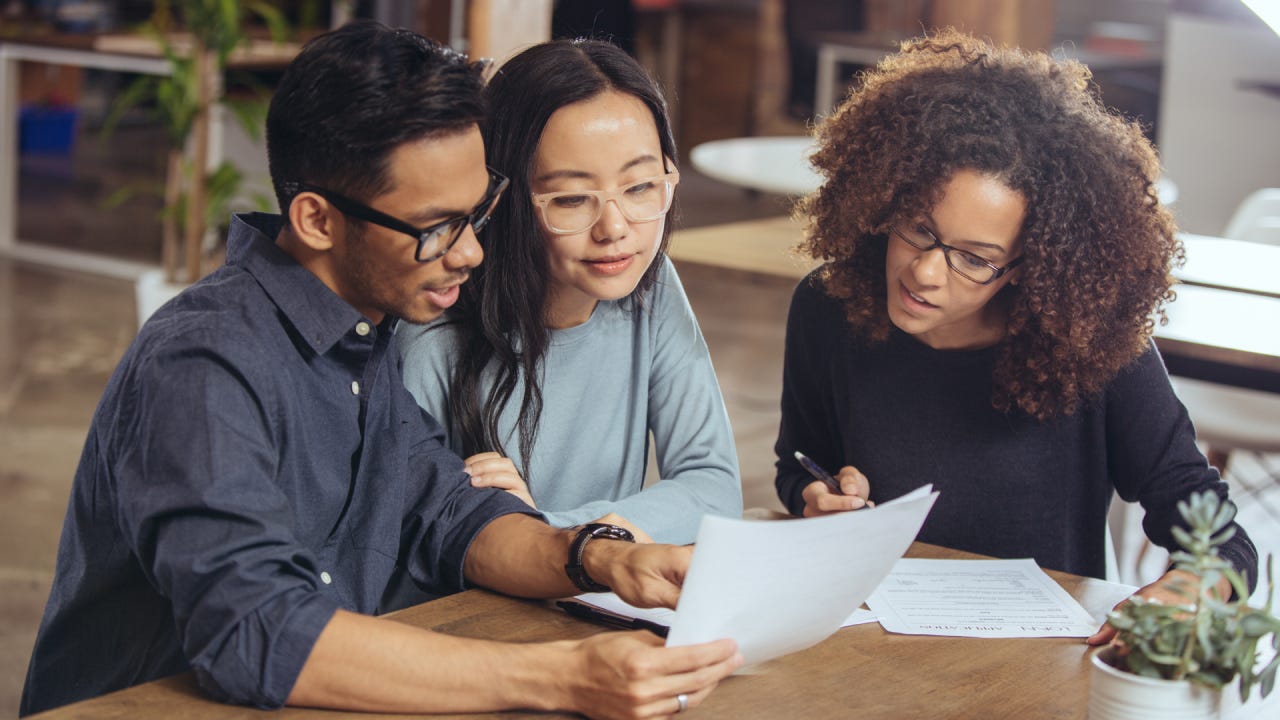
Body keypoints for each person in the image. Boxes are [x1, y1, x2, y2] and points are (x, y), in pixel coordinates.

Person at [20, 22, 741, 718]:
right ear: (316, 220)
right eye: (436, 228)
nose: (471, 254)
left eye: (475, 215)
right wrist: (563, 676)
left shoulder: (364, 334)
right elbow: (258, 632)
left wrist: (599, 557)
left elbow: (452, 516)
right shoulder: (203, 364)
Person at [771, 29, 1258, 643]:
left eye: (974, 259)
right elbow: (796, 462)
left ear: (1028, 268)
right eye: (919, 229)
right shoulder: (829, 307)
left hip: (1036, 665)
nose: (924, 272)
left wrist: (1185, 592)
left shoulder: (1091, 346)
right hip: (864, 647)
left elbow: (1223, 543)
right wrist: (815, 496)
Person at [399, 39, 742, 545]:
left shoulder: (652, 286)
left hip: (594, 596)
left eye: (642, 187)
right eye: (571, 199)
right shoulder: (434, 329)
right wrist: (511, 537)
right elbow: (411, 555)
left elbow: (713, 490)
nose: (615, 228)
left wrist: (548, 534)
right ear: (503, 198)